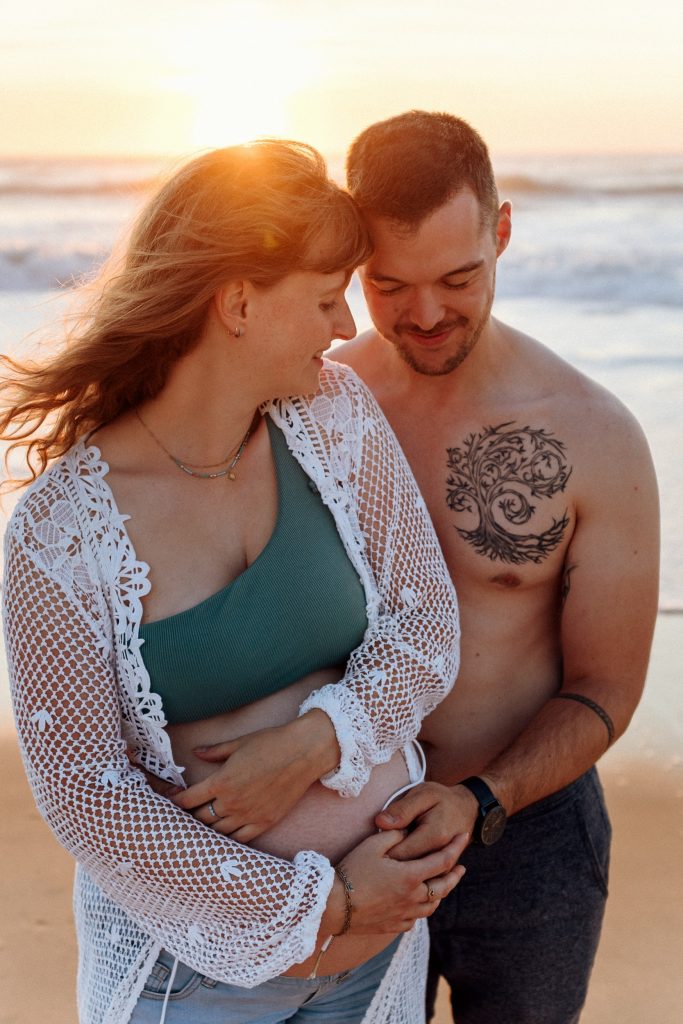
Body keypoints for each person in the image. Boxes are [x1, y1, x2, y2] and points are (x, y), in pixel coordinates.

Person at [0, 139, 466, 1024]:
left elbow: (425, 627)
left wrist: (312, 745)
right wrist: (324, 903)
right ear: (239, 303)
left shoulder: (333, 417)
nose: (346, 329)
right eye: (327, 300)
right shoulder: (59, 531)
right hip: (193, 985)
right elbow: (84, 795)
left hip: (377, 969)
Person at [333, 111, 660, 1024]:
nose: (425, 314)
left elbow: (604, 687)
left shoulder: (593, 436)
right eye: (387, 285)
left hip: (527, 836)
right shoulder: (315, 405)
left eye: (458, 277)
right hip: (343, 837)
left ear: (502, 232)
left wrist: (482, 799)